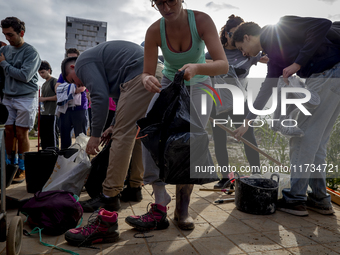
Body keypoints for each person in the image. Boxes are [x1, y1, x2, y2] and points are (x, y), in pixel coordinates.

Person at [125, 0, 229, 232]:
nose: (166, 7)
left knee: (190, 143)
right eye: (159, 3)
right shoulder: (154, 31)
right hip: (168, 83)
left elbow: (223, 65)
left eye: (171, 0)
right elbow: (146, 72)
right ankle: (161, 201)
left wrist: (197, 67)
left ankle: (183, 207)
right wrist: (146, 79)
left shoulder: (201, 21)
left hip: (200, 83)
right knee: (149, 134)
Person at [232, 16, 340, 216]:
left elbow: (322, 24)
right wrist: (247, 122)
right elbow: (266, 90)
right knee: (316, 142)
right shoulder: (274, 58)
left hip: (327, 75)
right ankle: (319, 198)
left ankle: (296, 199)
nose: (244, 53)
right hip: (334, 79)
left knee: (301, 138)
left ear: (247, 37)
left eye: (241, 48)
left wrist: (298, 64)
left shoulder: (280, 28)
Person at [61, 40, 163, 213]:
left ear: (72, 68)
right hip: (156, 73)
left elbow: (99, 97)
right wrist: (113, 125)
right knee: (137, 133)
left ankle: (109, 196)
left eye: (74, 82)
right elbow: (119, 100)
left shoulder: (82, 63)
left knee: (122, 136)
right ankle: (134, 188)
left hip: (141, 75)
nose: (79, 86)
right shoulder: (103, 67)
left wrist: (95, 135)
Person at [206, 15, 268, 189]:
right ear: (226, 34)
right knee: (219, 140)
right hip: (218, 102)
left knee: (249, 137)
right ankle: (226, 177)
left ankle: (256, 174)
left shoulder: (247, 51)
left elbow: (266, 55)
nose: (236, 39)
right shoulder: (214, 52)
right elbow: (201, 63)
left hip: (240, 101)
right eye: (233, 34)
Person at [0, 17, 41, 183]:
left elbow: (24, 76)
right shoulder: (6, 50)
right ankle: (10, 163)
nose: (8, 38)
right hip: (7, 96)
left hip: (25, 97)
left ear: (21, 33)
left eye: (10, 34)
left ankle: (23, 167)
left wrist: (4, 64)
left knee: (22, 133)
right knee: (8, 131)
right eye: (5, 34)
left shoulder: (31, 53)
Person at [56, 48, 88, 149]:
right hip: (65, 109)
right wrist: (72, 88)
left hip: (80, 108)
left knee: (81, 137)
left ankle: (82, 161)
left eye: (74, 59)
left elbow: (82, 88)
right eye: (69, 58)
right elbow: (57, 88)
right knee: (65, 138)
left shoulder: (83, 71)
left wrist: (67, 88)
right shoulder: (63, 74)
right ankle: (65, 161)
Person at [38, 60, 58, 149]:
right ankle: (45, 155)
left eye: (42, 72)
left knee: (52, 137)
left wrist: (44, 99)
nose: (41, 75)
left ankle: (54, 155)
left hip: (52, 113)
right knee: (44, 137)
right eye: (39, 73)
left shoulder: (55, 81)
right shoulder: (43, 84)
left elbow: (58, 97)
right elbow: (42, 98)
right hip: (44, 113)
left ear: (49, 70)